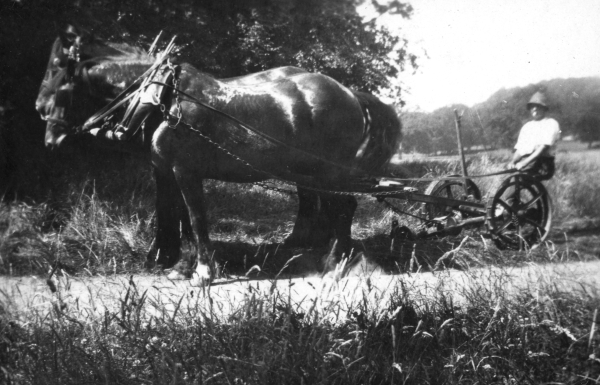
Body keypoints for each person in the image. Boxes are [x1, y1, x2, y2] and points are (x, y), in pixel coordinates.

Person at [508, 91, 561, 180]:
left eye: (538, 106)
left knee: (516, 179)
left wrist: (524, 163)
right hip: (527, 161)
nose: (535, 109)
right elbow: (520, 150)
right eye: (533, 106)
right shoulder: (527, 126)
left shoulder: (551, 123)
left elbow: (542, 149)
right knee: (509, 180)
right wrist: (513, 161)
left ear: (544, 109)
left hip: (543, 164)